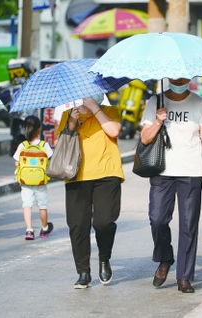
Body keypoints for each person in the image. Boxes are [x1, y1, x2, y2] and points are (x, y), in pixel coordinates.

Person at [140, 78, 202, 294]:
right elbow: (145, 138)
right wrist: (158, 121)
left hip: (191, 172)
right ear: (168, 77)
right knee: (157, 219)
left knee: (188, 225)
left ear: (189, 78)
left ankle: (185, 277)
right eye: (176, 76)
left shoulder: (199, 103)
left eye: (184, 77)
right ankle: (165, 258)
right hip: (162, 172)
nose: (180, 80)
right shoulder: (155, 101)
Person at [57, 94, 123, 289]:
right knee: (77, 225)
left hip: (107, 174)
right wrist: (72, 122)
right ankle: (83, 272)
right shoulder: (68, 114)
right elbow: (61, 142)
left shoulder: (110, 112)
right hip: (76, 175)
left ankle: (104, 258)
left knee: (104, 222)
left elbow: (114, 131)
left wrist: (95, 109)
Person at [13, 115, 54, 240]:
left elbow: (16, 162)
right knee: (42, 205)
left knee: (27, 204)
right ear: (39, 129)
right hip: (40, 181)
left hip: (25, 182)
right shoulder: (44, 146)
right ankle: (44, 228)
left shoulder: (23, 146)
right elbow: (50, 160)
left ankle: (29, 230)